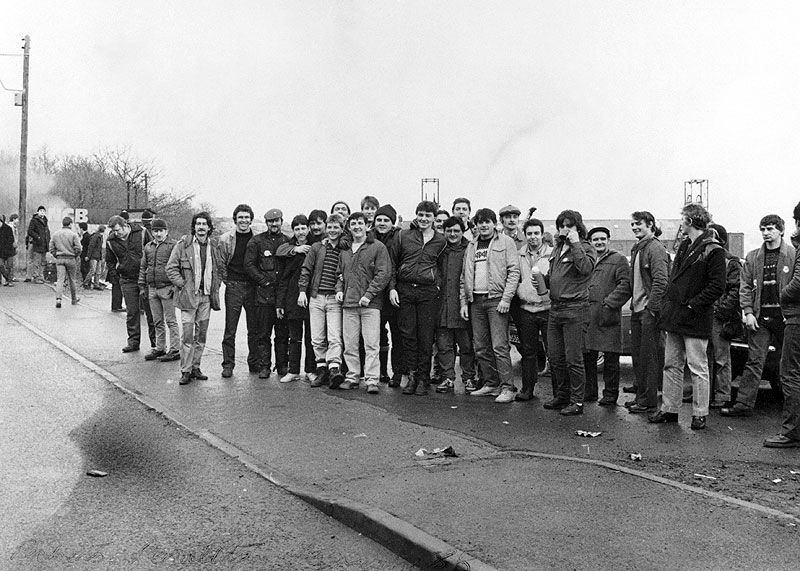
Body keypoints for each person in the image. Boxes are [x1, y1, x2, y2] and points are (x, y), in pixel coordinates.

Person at [649, 203, 725, 430]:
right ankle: (669, 409)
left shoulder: (714, 249)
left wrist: (693, 305)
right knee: (671, 364)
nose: (681, 224)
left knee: (697, 366)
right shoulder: (685, 246)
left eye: (683, 220)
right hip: (675, 315)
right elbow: (675, 280)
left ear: (690, 221)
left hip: (694, 317)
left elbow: (717, 286)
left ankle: (700, 413)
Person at [722, 214, 796, 418]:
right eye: (763, 229)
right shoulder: (753, 257)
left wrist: (790, 312)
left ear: (781, 230)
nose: (766, 233)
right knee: (755, 361)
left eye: (770, 229)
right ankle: (743, 404)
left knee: (790, 363)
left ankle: (792, 408)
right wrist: (748, 312)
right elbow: (744, 286)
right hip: (760, 316)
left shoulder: (793, 254)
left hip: (785, 317)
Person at [461, 208, 520, 403]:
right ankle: (491, 384)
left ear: (495, 223)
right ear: (476, 225)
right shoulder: (471, 245)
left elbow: (514, 272)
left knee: (499, 346)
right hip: (475, 301)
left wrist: (506, 299)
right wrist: (464, 301)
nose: (484, 225)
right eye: (480, 222)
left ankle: (508, 388)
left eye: (488, 221)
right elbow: (464, 277)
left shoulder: (506, 242)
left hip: (496, 300)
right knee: (480, 346)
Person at [388, 201, 447, 395]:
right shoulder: (404, 236)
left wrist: (436, 285)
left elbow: (441, 267)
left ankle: (424, 378)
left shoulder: (441, 240)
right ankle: (412, 376)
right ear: (416, 215)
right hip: (405, 290)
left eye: (428, 216)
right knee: (408, 334)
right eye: (420, 215)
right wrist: (393, 288)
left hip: (427, 293)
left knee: (425, 336)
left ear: (433, 218)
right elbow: (393, 264)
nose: (423, 219)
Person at [543, 209, 596, 415]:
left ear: (578, 228)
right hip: (555, 309)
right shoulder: (557, 248)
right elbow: (553, 276)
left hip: (575, 309)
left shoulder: (585, 247)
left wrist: (575, 243)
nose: (565, 229)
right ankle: (562, 396)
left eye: (570, 225)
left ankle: (577, 401)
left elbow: (585, 269)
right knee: (555, 357)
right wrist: (543, 280)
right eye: (562, 225)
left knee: (574, 359)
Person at [336, 212, 391, 393]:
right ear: (349, 227)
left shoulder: (377, 247)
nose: (357, 227)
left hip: (370, 304)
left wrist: (369, 294)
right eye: (353, 224)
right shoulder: (344, 249)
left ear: (367, 225)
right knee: (350, 343)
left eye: (360, 223)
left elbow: (383, 273)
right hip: (349, 304)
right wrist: (338, 290)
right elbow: (339, 274)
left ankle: (372, 380)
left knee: (371, 344)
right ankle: (352, 376)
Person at [166, 212, 222, 385]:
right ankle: (186, 370)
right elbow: (171, 268)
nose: (201, 227)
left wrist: (216, 286)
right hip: (188, 298)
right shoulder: (183, 245)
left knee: (201, 335)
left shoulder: (214, 246)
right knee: (188, 336)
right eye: (198, 224)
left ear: (209, 227)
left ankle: (196, 367)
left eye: (204, 224)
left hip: (206, 298)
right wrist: (182, 285)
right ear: (194, 227)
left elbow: (218, 270)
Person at [625, 211, 670, 414]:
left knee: (649, 358)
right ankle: (641, 397)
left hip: (648, 312)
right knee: (639, 357)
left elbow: (661, 281)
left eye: (639, 224)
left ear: (650, 224)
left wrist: (652, 309)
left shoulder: (655, 248)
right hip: (638, 310)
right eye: (632, 224)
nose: (634, 227)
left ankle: (648, 401)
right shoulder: (639, 248)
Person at [764, 202, 800, 447]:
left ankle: (791, 432)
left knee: (790, 374)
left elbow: (798, 283)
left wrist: (781, 294)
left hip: (797, 318)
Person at [297, 213, 347, 388]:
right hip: (316, 297)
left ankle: (334, 369)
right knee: (317, 337)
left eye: (336, 227)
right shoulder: (317, 247)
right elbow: (306, 270)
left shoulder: (344, 248)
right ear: (326, 228)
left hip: (334, 298)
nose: (333, 230)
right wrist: (302, 291)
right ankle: (321, 369)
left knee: (334, 336)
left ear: (342, 229)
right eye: (330, 227)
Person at [583, 227, 631, 404]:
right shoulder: (587, 260)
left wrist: (609, 303)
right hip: (588, 315)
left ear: (609, 240)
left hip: (608, 315)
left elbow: (626, 285)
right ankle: (590, 391)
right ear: (590, 242)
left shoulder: (618, 259)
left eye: (603, 238)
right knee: (588, 357)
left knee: (611, 358)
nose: (599, 242)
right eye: (595, 239)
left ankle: (610, 394)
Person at [245, 208, 291, 379]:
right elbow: (249, 265)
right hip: (263, 296)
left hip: (282, 297)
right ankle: (265, 366)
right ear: (266, 223)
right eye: (270, 221)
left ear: (281, 221)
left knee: (282, 334)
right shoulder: (256, 242)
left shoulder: (287, 241)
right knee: (263, 334)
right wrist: (263, 281)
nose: (274, 224)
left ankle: (282, 366)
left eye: (277, 220)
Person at [434, 216, 476, 393]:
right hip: (442, 305)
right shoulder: (439, 250)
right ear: (444, 231)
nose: (452, 234)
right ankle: (448, 378)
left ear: (463, 231)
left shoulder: (470, 249)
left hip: (462, 306)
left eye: (456, 231)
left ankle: (468, 378)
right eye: (449, 230)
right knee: (444, 346)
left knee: (466, 346)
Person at [513, 218, 553, 401]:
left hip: (547, 309)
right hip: (526, 309)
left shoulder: (552, 254)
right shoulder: (519, 254)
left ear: (542, 234)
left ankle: (559, 393)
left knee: (553, 352)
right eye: (529, 233)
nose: (533, 237)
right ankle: (527, 388)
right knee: (528, 352)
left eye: (536, 233)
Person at [218, 204, 260, 378]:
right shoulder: (225, 239)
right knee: (230, 329)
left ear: (251, 219)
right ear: (235, 219)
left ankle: (254, 363)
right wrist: (228, 282)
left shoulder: (257, 238)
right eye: (240, 217)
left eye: (246, 217)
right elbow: (221, 264)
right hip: (234, 286)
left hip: (253, 287)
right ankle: (228, 364)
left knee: (254, 328)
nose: (244, 220)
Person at [276, 215, 317, 383]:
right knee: (295, 337)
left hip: (312, 296)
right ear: (293, 230)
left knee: (311, 337)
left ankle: (310, 370)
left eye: (303, 228)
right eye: (297, 228)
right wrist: (280, 302)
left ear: (308, 229)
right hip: (292, 298)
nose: (301, 232)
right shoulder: (288, 249)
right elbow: (283, 278)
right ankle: (293, 370)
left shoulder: (315, 247)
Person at [106, 214, 156, 352]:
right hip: (126, 279)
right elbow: (109, 261)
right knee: (132, 312)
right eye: (113, 231)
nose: (116, 233)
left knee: (150, 312)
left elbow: (152, 251)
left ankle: (155, 343)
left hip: (145, 278)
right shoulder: (111, 241)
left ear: (125, 225)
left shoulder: (142, 233)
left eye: (118, 230)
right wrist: (116, 277)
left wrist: (150, 273)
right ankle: (133, 342)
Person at [707, 223, 742, 408]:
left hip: (720, 316)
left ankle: (722, 395)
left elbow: (736, 290)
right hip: (707, 314)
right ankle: (707, 394)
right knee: (705, 357)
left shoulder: (731, 262)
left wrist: (722, 312)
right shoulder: (708, 259)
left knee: (721, 358)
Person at [369, 204, 405, 385]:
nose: (382, 223)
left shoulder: (399, 237)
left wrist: (393, 287)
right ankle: (381, 371)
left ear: (393, 222)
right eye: (379, 220)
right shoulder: (369, 238)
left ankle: (398, 372)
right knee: (377, 335)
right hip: (376, 294)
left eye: (386, 220)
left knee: (397, 333)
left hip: (394, 292)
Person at [138, 218, 179, 362]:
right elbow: (144, 267)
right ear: (151, 232)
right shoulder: (148, 247)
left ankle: (175, 349)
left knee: (170, 320)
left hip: (167, 288)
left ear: (166, 231)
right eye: (155, 231)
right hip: (152, 288)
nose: (158, 233)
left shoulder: (173, 246)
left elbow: (178, 267)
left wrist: (175, 286)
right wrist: (142, 285)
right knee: (157, 321)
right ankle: (160, 347)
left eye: (161, 230)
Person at [48, 216, 82, 308]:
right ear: (70, 224)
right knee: (72, 280)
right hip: (71, 259)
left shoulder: (56, 234)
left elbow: (51, 247)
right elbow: (79, 248)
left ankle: (58, 299)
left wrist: (56, 255)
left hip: (59, 259)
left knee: (60, 280)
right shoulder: (73, 235)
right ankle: (74, 299)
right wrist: (75, 255)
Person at [25, 205, 50, 284]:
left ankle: (41, 276)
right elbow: (30, 231)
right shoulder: (34, 220)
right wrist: (38, 237)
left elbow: (47, 232)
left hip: (44, 244)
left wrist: (48, 239)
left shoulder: (46, 221)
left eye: (43, 211)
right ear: (38, 212)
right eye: (41, 211)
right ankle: (36, 277)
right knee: (37, 261)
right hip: (37, 244)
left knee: (43, 261)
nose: (42, 212)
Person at [83, 224, 106, 290]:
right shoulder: (97, 237)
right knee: (94, 271)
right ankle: (86, 283)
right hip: (94, 256)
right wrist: (88, 255)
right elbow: (91, 246)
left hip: (97, 256)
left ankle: (95, 284)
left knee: (97, 271)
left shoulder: (97, 236)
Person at [0, 215, 16, 287]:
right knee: (0, 265)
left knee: (9, 266)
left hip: (9, 250)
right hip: (0, 251)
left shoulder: (8, 228)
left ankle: (9, 281)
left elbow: (11, 239)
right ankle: (7, 278)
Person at [7, 213, 19, 281]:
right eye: (17, 219)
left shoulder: (14, 227)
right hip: (11, 246)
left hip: (14, 245)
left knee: (12, 262)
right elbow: (12, 237)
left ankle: (12, 275)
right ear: (13, 219)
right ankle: (11, 276)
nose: (17, 220)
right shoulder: (11, 227)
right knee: (11, 262)